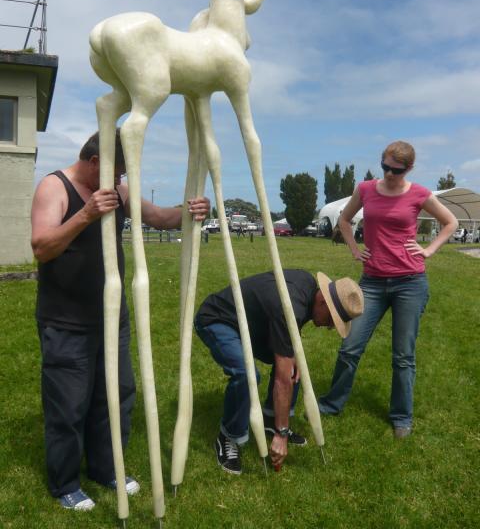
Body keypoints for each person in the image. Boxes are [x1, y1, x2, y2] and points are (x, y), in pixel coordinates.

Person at [31, 130, 209, 510]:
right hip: (66, 321)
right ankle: (64, 484)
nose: (120, 182)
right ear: (96, 162)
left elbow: (160, 218)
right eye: (117, 173)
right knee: (69, 404)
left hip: (113, 319)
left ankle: (106, 468)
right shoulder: (54, 186)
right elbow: (42, 247)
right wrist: (86, 214)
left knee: (116, 396)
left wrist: (189, 211)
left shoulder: (118, 192)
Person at [318, 141, 458, 438]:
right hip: (372, 282)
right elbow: (344, 220)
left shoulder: (419, 193)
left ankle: (401, 417)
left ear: (409, 169)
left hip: (410, 283)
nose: (390, 174)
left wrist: (429, 250)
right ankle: (332, 404)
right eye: (385, 167)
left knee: (403, 355)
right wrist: (355, 250)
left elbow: (450, 222)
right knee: (350, 346)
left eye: (396, 170)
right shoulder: (366, 189)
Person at [194, 269, 364, 474]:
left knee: (294, 364)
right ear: (323, 303)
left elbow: (288, 321)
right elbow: (282, 381)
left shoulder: (307, 285)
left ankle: (270, 418)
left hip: (252, 325)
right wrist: (282, 435)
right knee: (247, 375)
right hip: (219, 319)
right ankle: (229, 436)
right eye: (331, 320)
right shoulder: (291, 305)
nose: (329, 327)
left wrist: (293, 353)